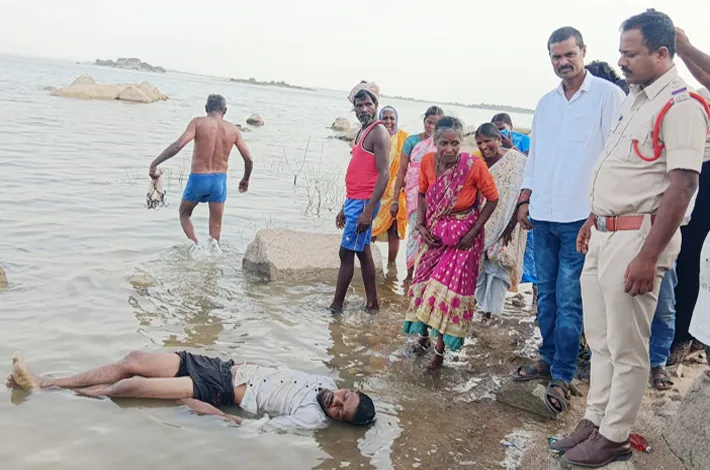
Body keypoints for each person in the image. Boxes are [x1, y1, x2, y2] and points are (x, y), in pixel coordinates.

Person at [552, 11, 709, 467]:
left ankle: (615, 434)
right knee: (601, 340)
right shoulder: (635, 99)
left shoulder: (681, 106)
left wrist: (648, 256)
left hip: (637, 240)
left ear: (661, 53)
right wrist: (593, 217)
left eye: (630, 53)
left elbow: (683, 186)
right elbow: (620, 170)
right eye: (620, 51)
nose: (620, 61)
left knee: (627, 347)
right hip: (604, 233)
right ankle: (594, 421)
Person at [512, 27, 625, 417]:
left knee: (570, 297)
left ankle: (563, 373)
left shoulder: (608, 96)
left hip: (581, 216)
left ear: (583, 51)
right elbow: (536, 157)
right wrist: (524, 199)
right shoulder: (546, 104)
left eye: (569, 54)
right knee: (545, 294)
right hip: (544, 214)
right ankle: (546, 358)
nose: (563, 62)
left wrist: (598, 211)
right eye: (556, 56)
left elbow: (614, 157)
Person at [6, 352, 376, 431]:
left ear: (337, 421)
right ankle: (47, 382)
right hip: (221, 366)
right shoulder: (322, 381)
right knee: (132, 360)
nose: (336, 402)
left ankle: (44, 388)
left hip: (218, 388)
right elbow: (278, 370)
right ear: (349, 389)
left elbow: (255, 428)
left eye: (340, 412)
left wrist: (208, 411)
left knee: (130, 387)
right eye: (345, 396)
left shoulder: (311, 419)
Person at [402, 117, 499, 370]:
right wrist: (421, 225)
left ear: (461, 142)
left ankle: (439, 353)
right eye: (444, 143)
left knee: (445, 293)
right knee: (424, 285)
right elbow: (422, 193)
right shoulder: (427, 162)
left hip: (463, 240)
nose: (449, 149)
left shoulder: (473, 165)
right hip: (434, 234)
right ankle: (423, 338)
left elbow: (492, 198)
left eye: (455, 143)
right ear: (435, 142)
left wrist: (474, 231)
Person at [149, 94, 253, 246]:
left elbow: (178, 145)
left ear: (206, 108)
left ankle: (196, 245)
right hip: (219, 181)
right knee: (216, 224)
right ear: (225, 110)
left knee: (184, 214)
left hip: (199, 178)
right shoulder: (233, 130)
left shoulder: (198, 123)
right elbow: (249, 159)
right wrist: (245, 179)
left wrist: (155, 163)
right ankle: (213, 253)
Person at [666, 27, 710, 365]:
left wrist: (686, 48)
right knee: (684, 256)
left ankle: (683, 337)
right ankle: (683, 333)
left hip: (705, 173)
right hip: (693, 169)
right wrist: (683, 52)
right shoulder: (694, 93)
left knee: (692, 257)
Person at [329, 82, 390, 313]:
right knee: (363, 253)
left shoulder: (378, 132)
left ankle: (336, 306)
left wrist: (367, 211)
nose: (364, 109)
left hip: (365, 202)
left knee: (346, 253)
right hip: (355, 201)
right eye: (359, 105)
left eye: (368, 104)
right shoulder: (361, 132)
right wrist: (345, 207)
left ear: (376, 104)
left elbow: (384, 174)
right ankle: (372, 304)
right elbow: (359, 172)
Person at [474, 124, 528, 320]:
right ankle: (480, 313)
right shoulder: (478, 164)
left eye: (488, 141)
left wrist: (510, 227)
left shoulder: (515, 162)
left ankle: (492, 314)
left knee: (498, 269)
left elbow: (520, 194)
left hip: (508, 227)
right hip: (483, 226)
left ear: (498, 139)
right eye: (479, 143)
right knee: (479, 270)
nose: (484, 146)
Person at [390, 106, 445, 280]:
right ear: (424, 122)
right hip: (414, 195)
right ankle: (409, 275)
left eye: (436, 124)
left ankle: (426, 276)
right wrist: (394, 200)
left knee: (433, 234)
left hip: (436, 196)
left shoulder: (444, 144)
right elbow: (402, 172)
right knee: (415, 232)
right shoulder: (412, 141)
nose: (431, 127)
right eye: (429, 122)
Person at [491, 113, 536, 311]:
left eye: (502, 128)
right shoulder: (490, 144)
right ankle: (493, 302)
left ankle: (536, 298)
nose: (500, 132)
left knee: (532, 255)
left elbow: (531, 164)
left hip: (525, 203)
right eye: (496, 129)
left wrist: (511, 147)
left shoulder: (524, 141)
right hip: (504, 207)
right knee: (500, 255)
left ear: (510, 126)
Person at [371, 106, 409, 265]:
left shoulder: (404, 139)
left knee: (395, 231)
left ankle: (391, 266)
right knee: (371, 228)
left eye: (392, 118)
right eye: (384, 118)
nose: (388, 121)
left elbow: (412, 165)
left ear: (396, 120)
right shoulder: (375, 136)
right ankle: (366, 262)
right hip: (377, 190)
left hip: (397, 192)